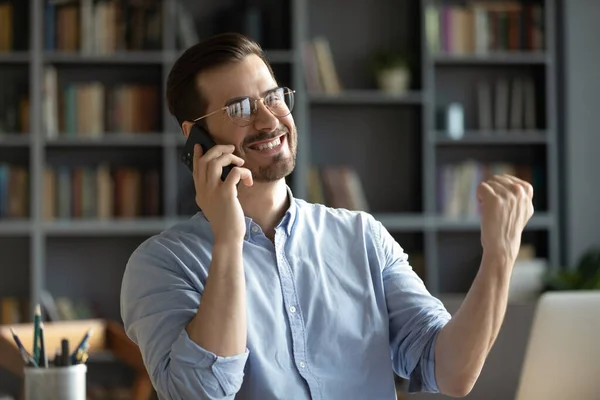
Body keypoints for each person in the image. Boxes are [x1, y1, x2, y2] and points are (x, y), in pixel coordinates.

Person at [120, 32, 534, 400]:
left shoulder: (362, 237)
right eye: (239, 109)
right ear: (196, 137)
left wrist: (499, 256)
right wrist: (228, 240)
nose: (268, 119)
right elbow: (201, 393)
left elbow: (453, 372)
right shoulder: (160, 263)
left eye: (273, 97)